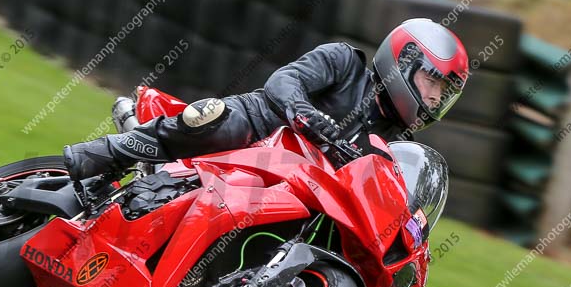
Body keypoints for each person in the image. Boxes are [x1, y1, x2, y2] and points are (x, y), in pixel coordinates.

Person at [63, 18, 469, 180]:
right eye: (432, 81)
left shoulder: (398, 146)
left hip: (295, 186)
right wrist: (305, 115)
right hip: (259, 131)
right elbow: (284, 81)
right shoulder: (345, 63)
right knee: (216, 118)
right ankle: (105, 152)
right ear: (404, 61)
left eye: (443, 93)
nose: (434, 97)